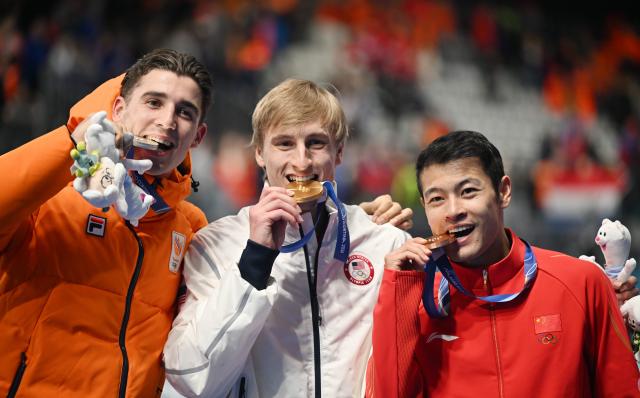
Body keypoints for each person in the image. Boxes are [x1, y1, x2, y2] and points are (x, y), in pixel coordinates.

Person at [0, 49, 412, 397]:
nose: (166, 121)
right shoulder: (52, 198)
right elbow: (194, 376)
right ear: (118, 109)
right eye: (154, 102)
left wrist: (361, 224)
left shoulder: (189, 227)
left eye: (184, 111)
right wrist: (76, 139)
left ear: (197, 136)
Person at [162, 79, 411, 397]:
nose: (302, 161)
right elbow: (191, 377)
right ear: (260, 154)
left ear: (339, 153)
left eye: (316, 143)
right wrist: (255, 260)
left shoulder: (384, 243)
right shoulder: (215, 245)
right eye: (284, 144)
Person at [369, 130, 640, 397]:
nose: (453, 211)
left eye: (468, 191)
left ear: (503, 192)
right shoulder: (415, 303)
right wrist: (399, 290)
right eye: (437, 199)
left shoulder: (580, 282)